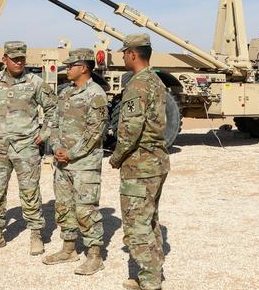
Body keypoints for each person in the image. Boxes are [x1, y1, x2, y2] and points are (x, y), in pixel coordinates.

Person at [0, 40, 55, 255]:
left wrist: (43, 134)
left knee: (30, 192)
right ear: (5, 60)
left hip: (26, 147)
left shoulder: (35, 83)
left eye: (22, 59)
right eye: (14, 59)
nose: (18, 62)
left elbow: (53, 109)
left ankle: (36, 234)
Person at [108, 33, 171, 290]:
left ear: (133, 54)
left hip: (139, 166)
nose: (122, 57)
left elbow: (130, 130)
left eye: (124, 53)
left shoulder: (137, 84)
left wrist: (116, 157)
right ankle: (152, 274)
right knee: (150, 219)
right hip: (156, 162)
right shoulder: (156, 81)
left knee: (136, 225)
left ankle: (149, 282)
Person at [42, 48, 108, 275]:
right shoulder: (65, 93)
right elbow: (54, 123)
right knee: (63, 206)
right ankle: (69, 248)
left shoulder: (96, 94)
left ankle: (94, 256)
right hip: (63, 162)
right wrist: (57, 147)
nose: (67, 69)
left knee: (85, 209)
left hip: (84, 163)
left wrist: (71, 153)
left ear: (84, 68)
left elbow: (95, 131)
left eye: (71, 66)